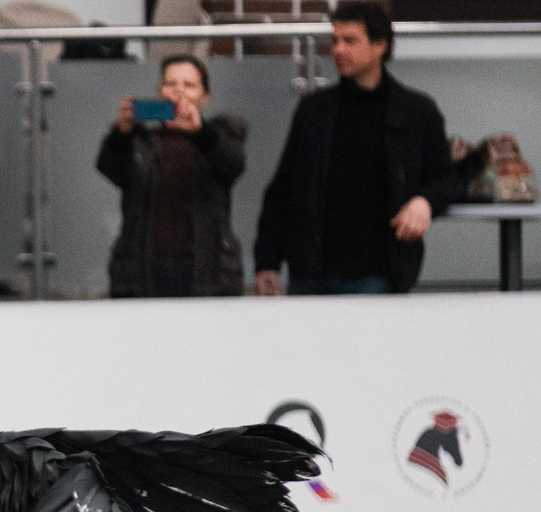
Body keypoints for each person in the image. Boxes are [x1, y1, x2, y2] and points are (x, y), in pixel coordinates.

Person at [253, 1, 456, 296]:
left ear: (379, 45)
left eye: (350, 41)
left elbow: (446, 180)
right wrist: (267, 262)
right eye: (335, 40)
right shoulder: (314, 110)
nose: (338, 50)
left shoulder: (415, 111)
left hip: (380, 271)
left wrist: (424, 202)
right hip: (312, 270)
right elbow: (283, 189)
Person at [97, 55, 247, 298]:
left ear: (205, 97)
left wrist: (200, 132)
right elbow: (110, 168)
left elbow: (233, 164)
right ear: (159, 92)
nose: (178, 91)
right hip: (143, 267)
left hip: (207, 268)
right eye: (170, 84)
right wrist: (121, 133)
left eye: (189, 85)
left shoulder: (217, 138)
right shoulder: (140, 142)